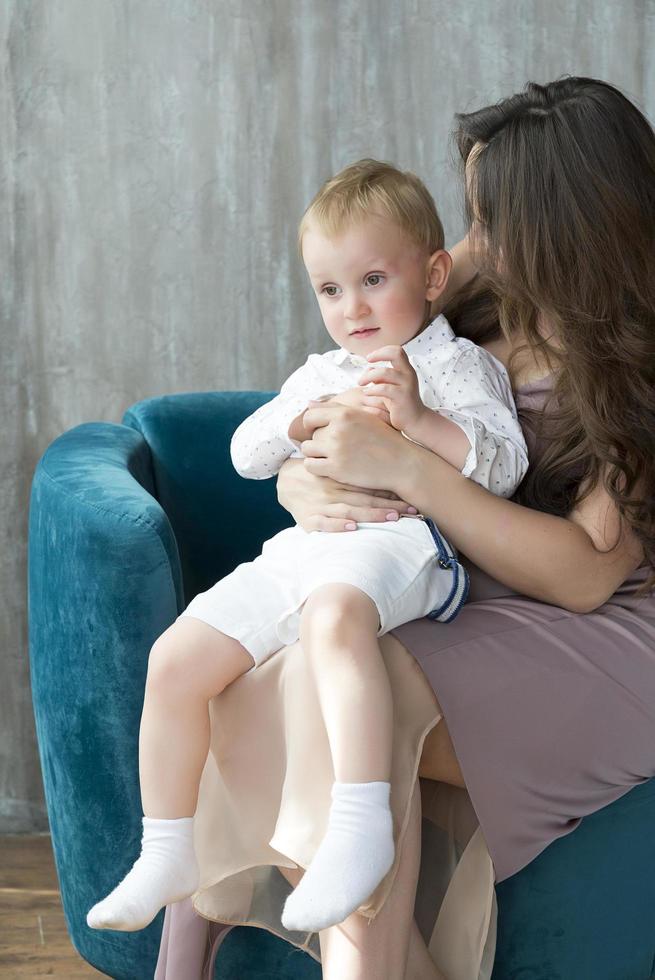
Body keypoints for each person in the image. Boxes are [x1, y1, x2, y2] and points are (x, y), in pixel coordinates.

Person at [153, 75, 655, 980]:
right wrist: (306, 483)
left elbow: (585, 575)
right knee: (279, 669)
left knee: (345, 677)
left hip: (606, 628)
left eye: (487, 219)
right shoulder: (469, 293)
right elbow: (330, 388)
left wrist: (409, 470)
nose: (468, 243)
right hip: (482, 592)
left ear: (552, 228)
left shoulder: (631, 352)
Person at [86, 159, 528, 935]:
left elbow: (501, 463)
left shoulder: (459, 366)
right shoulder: (325, 371)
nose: (351, 307)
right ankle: (168, 846)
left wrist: (421, 422)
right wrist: (301, 420)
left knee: (333, 619)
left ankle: (359, 826)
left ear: (431, 276)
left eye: (371, 280)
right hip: (312, 543)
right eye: (330, 290)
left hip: (406, 547)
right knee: (176, 658)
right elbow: (247, 450)